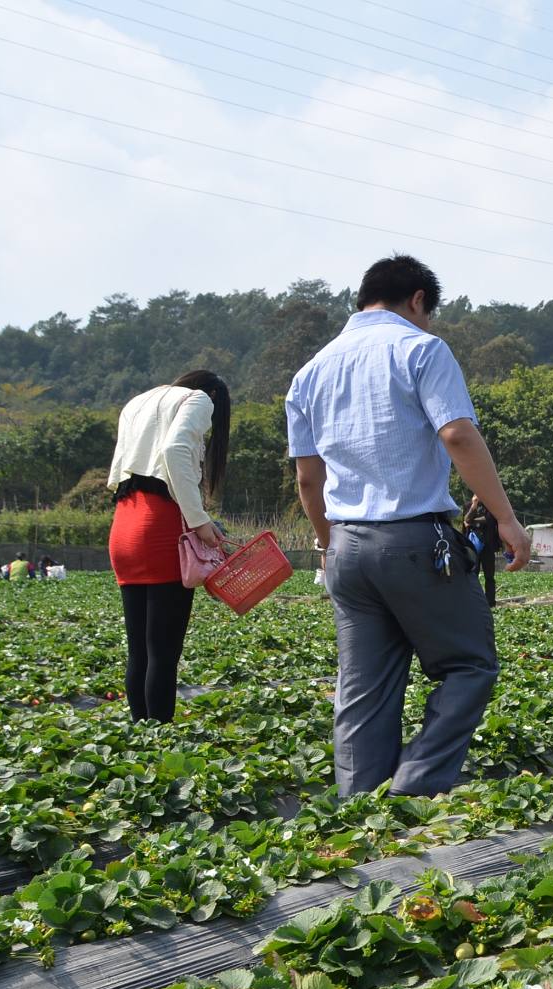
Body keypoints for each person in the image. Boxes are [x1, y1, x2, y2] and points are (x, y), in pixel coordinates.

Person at [287, 254, 531, 799]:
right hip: (414, 540)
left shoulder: (311, 371)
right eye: (429, 312)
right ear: (418, 299)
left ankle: (358, 807)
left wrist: (328, 547)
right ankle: (415, 783)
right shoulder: (420, 349)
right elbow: (458, 436)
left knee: (363, 688)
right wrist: (507, 518)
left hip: (345, 545)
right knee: (468, 663)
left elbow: (308, 479)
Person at [108, 369, 232, 723]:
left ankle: (140, 733)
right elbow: (175, 449)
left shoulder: (137, 402)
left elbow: (120, 469)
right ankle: (160, 736)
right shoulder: (198, 398)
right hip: (161, 528)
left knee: (140, 652)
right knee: (163, 652)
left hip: (124, 525)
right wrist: (199, 520)